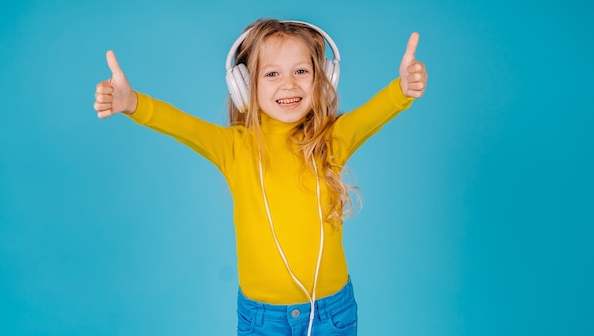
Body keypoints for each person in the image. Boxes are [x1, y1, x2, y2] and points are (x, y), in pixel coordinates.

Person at [93, 19, 427, 336]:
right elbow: (181, 125)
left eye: (301, 71)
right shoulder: (234, 148)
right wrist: (132, 102)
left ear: (323, 77)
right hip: (262, 318)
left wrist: (403, 89)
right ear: (243, 86)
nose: (289, 84)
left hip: (331, 312)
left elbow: (375, 112)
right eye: (271, 73)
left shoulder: (332, 141)